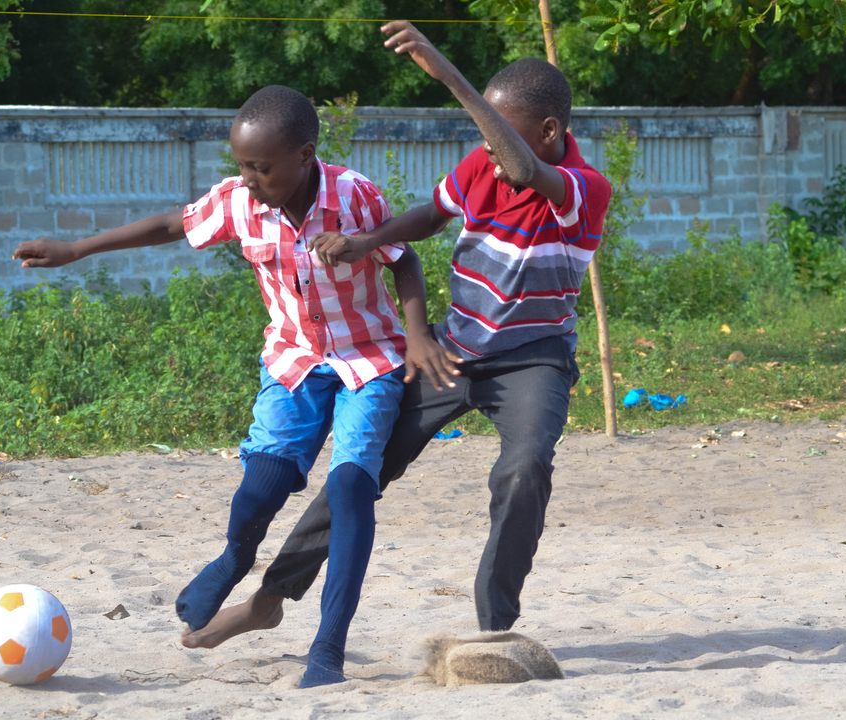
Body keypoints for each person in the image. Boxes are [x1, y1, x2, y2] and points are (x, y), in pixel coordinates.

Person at [11, 84, 458, 687]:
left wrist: (417, 335)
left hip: (368, 360)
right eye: (242, 165)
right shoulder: (238, 201)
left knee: (351, 488)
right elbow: (171, 224)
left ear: (305, 155)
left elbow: (402, 259)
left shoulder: (354, 196)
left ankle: (327, 649)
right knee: (261, 485)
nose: (248, 178)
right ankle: (234, 557)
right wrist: (76, 249)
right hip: (294, 360)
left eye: (261, 167)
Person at [184, 22, 611, 649]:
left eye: (498, 133)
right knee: (356, 477)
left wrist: (448, 75)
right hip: (454, 349)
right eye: (486, 137)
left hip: (532, 360)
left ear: (549, 132)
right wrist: (369, 242)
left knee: (524, 469)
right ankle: (268, 600)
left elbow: (522, 167)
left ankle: (493, 627)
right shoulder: (482, 165)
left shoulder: (583, 190)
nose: (488, 150)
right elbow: (432, 216)